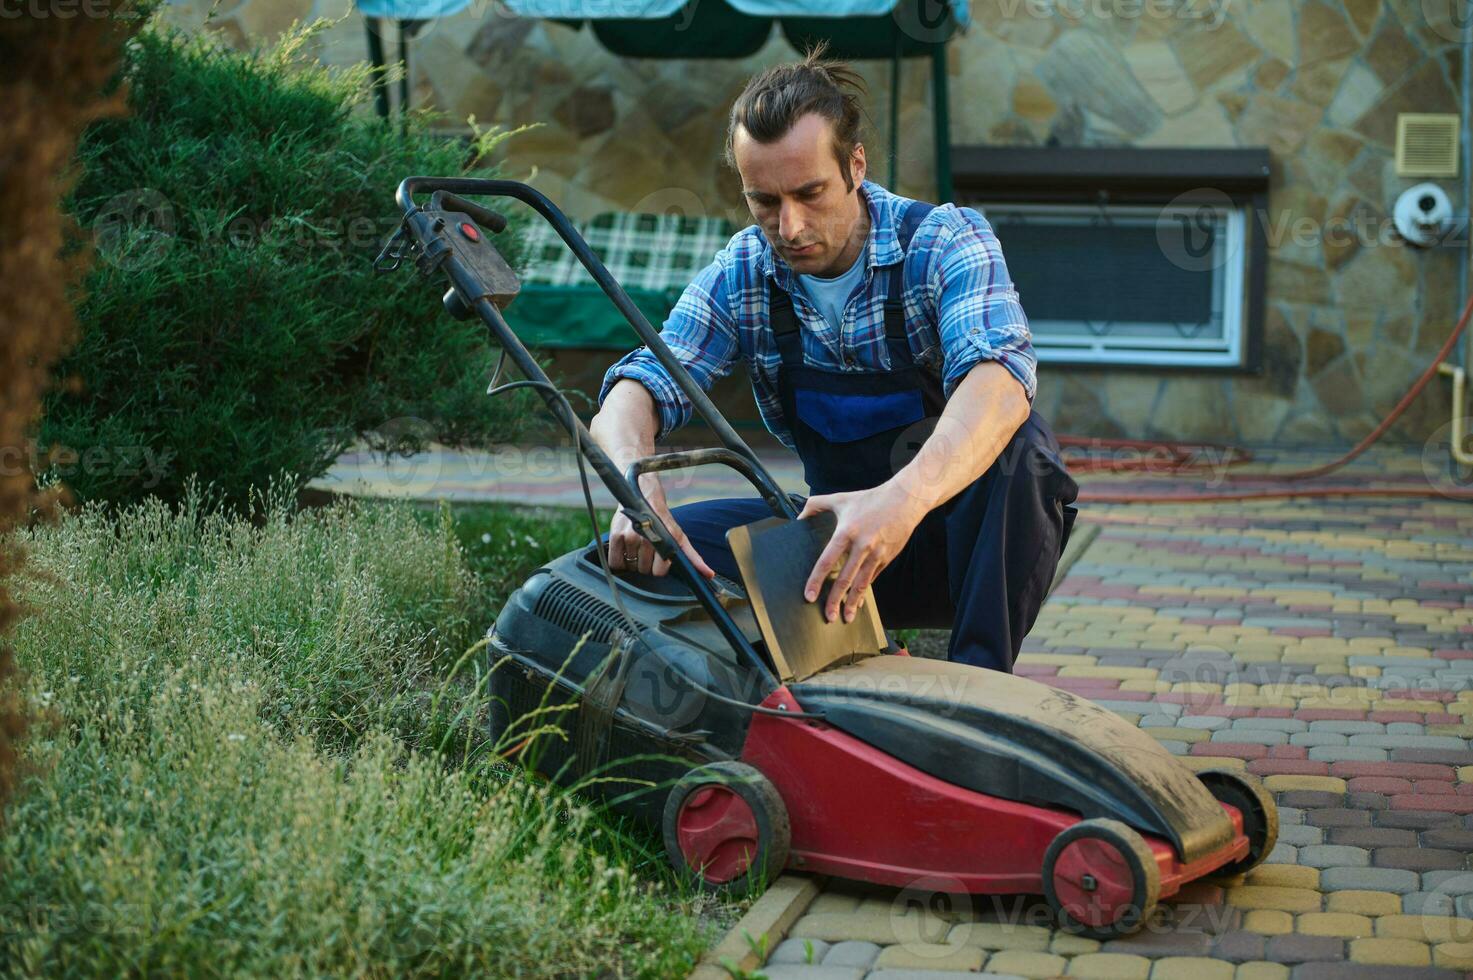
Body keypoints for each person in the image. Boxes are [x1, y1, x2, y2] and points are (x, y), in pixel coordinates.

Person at [588, 47, 1078, 673]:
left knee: (1023, 456)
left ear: (855, 166)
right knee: (650, 554)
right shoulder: (746, 271)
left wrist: (901, 500)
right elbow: (638, 385)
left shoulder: (943, 242)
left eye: (810, 193)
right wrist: (636, 485)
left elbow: (1001, 382)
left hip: (962, 553)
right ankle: (758, 714)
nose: (789, 226)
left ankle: (977, 697)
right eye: (764, 201)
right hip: (834, 552)